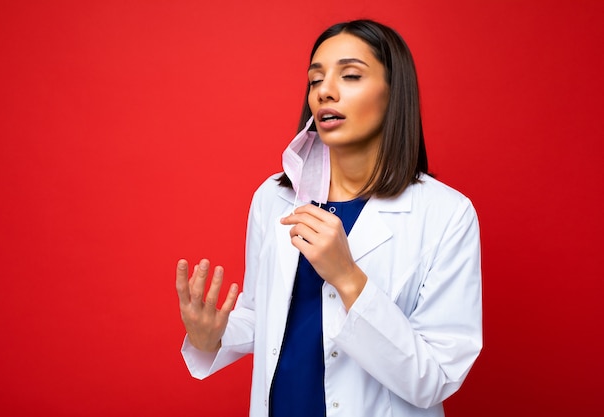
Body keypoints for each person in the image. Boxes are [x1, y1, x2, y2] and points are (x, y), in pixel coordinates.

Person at [176, 19, 482, 417]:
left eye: (350, 75)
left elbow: (436, 377)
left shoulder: (446, 214)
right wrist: (211, 336)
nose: (325, 91)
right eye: (315, 79)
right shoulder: (274, 197)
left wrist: (347, 277)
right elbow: (261, 316)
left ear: (394, 93)